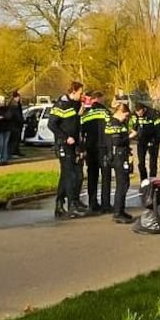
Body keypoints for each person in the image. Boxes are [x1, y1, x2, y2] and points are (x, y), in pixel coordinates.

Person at [48, 81, 87, 219]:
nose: (81, 95)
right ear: (73, 91)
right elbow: (51, 124)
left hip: (74, 144)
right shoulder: (62, 104)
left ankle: (63, 204)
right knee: (70, 175)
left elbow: (76, 124)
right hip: (64, 145)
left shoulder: (75, 104)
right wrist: (65, 138)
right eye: (80, 93)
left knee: (71, 175)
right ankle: (71, 206)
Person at [105, 102, 138, 224]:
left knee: (125, 183)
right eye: (126, 115)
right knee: (121, 185)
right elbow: (117, 141)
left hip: (122, 155)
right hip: (117, 157)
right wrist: (130, 136)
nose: (126, 118)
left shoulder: (119, 124)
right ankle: (117, 213)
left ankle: (121, 210)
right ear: (120, 112)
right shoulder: (114, 124)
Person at [80, 90, 111, 214]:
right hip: (103, 147)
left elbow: (81, 133)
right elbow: (110, 129)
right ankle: (106, 204)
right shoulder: (106, 113)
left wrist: (82, 148)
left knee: (92, 177)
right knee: (105, 177)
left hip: (90, 148)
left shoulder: (86, 114)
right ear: (99, 99)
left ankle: (92, 203)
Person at [132, 103, 160, 181]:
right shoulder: (135, 115)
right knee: (141, 162)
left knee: (153, 162)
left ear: (144, 109)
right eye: (137, 112)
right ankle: (143, 180)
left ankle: (152, 179)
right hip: (141, 140)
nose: (139, 114)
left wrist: (156, 141)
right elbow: (135, 127)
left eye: (140, 112)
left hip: (153, 139)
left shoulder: (154, 114)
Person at [7, 91, 25, 158]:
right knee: (14, 139)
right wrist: (21, 121)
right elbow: (17, 115)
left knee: (17, 139)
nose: (20, 99)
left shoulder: (16, 104)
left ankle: (16, 151)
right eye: (19, 97)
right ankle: (13, 152)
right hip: (14, 124)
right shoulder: (14, 105)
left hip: (17, 124)